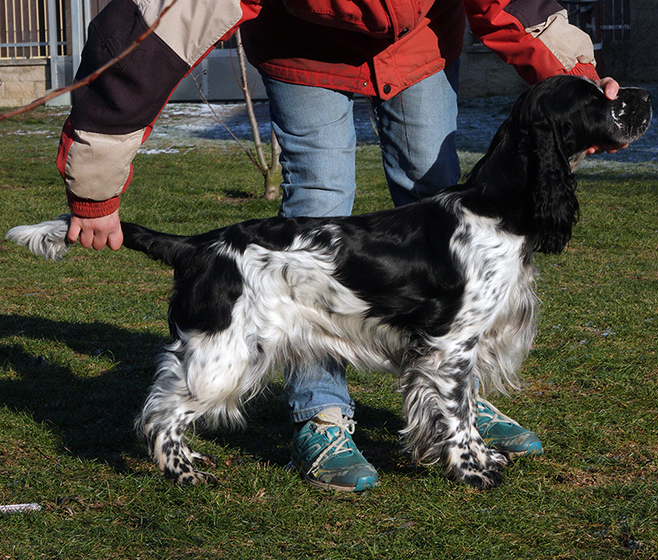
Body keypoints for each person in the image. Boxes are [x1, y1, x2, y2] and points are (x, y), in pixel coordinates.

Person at [57, 0, 623, 492]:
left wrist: (580, 80)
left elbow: (513, 2)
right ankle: (321, 414)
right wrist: (95, 178)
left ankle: (457, 403)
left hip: (418, 41)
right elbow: (160, 25)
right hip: (303, 48)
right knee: (318, 200)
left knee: (437, 198)